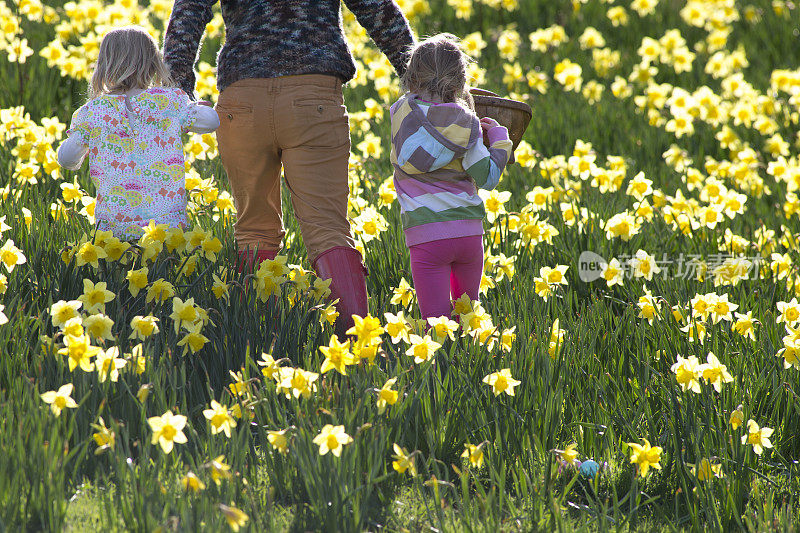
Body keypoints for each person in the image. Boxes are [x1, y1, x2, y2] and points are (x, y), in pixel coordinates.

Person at [162, 0, 415, 337]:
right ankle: (357, 347)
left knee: (253, 231)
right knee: (328, 229)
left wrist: (179, 91)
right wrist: (422, 79)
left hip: (242, 98)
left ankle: (259, 344)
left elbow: (188, 13)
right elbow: (378, 10)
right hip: (314, 98)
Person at [389, 34, 513, 321]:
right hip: (468, 234)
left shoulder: (400, 116)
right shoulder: (466, 125)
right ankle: (470, 364)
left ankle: (440, 367)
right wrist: (499, 140)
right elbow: (488, 178)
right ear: (459, 83)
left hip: (425, 237)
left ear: (411, 79)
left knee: (436, 325)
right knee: (467, 320)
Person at [57, 25, 220, 241]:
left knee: (120, 274)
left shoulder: (92, 113)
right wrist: (192, 107)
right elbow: (212, 121)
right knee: (167, 273)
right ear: (154, 64)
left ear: (104, 66)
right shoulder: (169, 102)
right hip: (167, 227)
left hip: (114, 230)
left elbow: (66, 159)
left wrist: (83, 143)